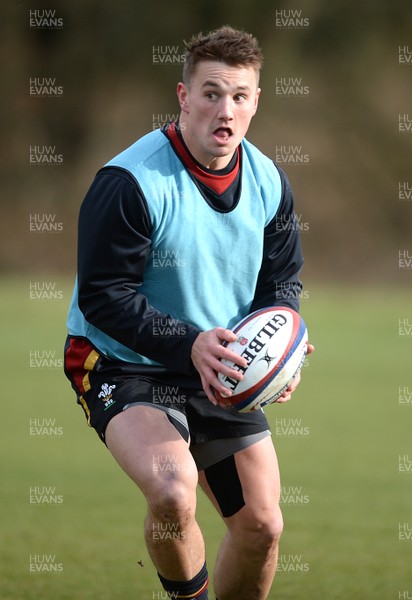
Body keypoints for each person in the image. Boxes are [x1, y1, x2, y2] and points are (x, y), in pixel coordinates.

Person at [64, 25, 313, 600]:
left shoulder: (269, 181)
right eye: (211, 93)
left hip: (220, 366)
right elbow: (105, 294)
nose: (225, 110)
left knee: (262, 527)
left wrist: (286, 346)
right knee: (173, 494)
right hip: (122, 364)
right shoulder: (130, 182)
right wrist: (189, 344)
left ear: (256, 101)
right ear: (183, 96)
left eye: (240, 96)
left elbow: (281, 283)